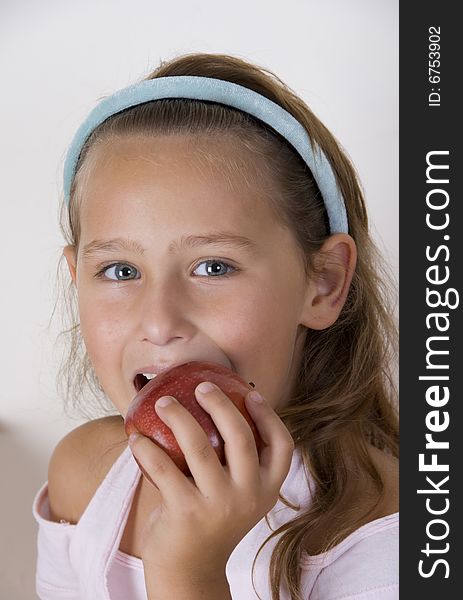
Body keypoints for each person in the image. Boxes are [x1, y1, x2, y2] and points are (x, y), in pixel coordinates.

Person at [32, 52, 399, 600]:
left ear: (322, 283)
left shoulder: (384, 534)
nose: (159, 322)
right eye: (119, 270)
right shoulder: (83, 475)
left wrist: (187, 574)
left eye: (213, 266)